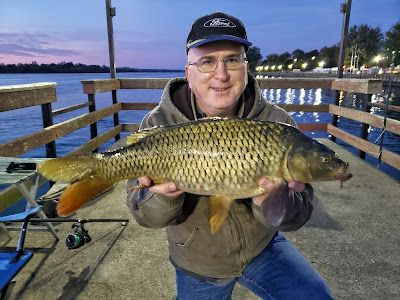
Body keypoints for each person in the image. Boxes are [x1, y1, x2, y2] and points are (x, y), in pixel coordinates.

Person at [126, 12, 333, 300]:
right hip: (199, 263)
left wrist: (273, 202)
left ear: (246, 68)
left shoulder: (277, 123)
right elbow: (146, 217)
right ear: (189, 73)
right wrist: (164, 196)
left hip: (263, 248)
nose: (221, 75)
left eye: (232, 60)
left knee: (316, 296)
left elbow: (296, 216)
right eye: (207, 61)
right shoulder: (158, 125)